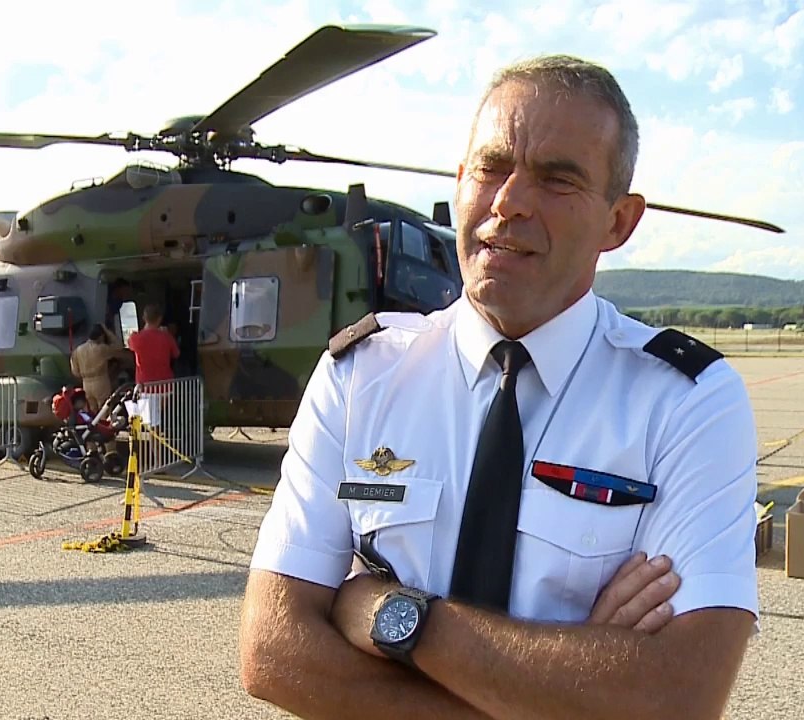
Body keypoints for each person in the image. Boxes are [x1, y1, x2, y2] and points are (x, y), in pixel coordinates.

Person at [239, 55, 759, 720]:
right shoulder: (360, 376)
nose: (509, 202)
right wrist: (572, 678)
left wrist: (389, 613)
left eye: (558, 179)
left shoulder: (686, 400)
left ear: (618, 222)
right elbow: (275, 654)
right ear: (460, 185)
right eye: (490, 167)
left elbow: (675, 697)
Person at [126, 303, 179, 427]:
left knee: (150, 424)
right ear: (160, 319)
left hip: (145, 386)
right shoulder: (166, 337)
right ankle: (158, 442)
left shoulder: (136, 338)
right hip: (165, 385)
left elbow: (129, 345)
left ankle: (153, 446)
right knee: (158, 417)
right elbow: (176, 354)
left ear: (144, 318)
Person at [70, 324, 125, 414]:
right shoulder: (101, 349)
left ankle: (95, 427)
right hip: (100, 381)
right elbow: (119, 347)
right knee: (105, 409)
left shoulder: (78, 350)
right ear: (101, 336)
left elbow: (75, 372)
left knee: (92, 411)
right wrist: (107, 331)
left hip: (86, 384)